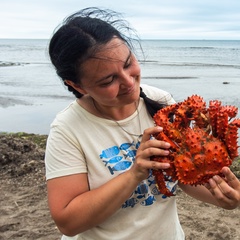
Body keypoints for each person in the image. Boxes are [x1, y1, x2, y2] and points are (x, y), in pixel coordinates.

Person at [45, 7, 240, 240]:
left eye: (128, 64)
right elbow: (68, 222)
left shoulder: (161, 103)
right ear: (77, 86)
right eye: (109, 80)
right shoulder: (67, 130)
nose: (129, 82)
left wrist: (225, 197)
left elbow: (183, 175)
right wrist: (134, 173)